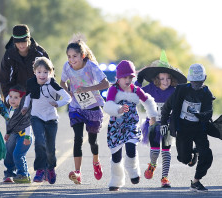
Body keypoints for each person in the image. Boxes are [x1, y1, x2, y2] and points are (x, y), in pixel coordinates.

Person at [60, 36, 110, 184]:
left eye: (74, 56)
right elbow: (62, 82)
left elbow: (106, 84)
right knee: (78, 138)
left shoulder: (91, 67)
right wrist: (68, 92)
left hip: (93, 107)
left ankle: (96, 161)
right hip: (76, 107)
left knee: (92, 141)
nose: (71, 59)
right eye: (69, 56)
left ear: (82, 56)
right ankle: (78, 172)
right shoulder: (67, 67)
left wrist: (87, 89)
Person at [135, 51, 187, 188]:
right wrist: (139, 79)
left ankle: (165, 178)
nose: (165, 82)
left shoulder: (174, 90)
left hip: (168, 125)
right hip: (152, 124)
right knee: (155, 151)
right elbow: (136, 91)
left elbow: (183, 101)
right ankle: (152, 165)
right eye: (162, 79)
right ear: (157, 79)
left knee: (166, 151)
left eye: (168, 79)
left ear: (172, 79)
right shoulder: (151, 88)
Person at [103, 60, 158, 191]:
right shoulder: (113, 89)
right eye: (124, 77)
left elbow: (148, 101)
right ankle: (116, 180)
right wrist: (118, 109)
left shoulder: (136, 90)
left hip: (132, 125)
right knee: (116, 157)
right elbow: (107, 105)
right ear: (118, 77)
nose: (127, 80)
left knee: (131, 148)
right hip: (116, 127)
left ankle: (133, 172)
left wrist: (152, 115)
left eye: (130, 77)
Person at [161, 63, 215, 192]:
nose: (196, 85)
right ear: (190, 80)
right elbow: (167, 107)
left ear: (205, 78)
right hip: (183, 128)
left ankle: (196, 181)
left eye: (199, 82)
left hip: (199, 128)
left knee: (207, 154)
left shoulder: (207, 93)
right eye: (194, 82)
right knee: (184, 159)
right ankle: (193, 153)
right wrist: (164, 122)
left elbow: (209, 113)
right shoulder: (181, 90)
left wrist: (199, 115)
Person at [22, 57, 71, 184]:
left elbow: (68, 98)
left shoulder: (53, 84)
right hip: (36, 116)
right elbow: (28, 96)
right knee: (39, 142)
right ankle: (39, 170)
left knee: (50, 148)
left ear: (50, 72)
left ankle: (50, 169)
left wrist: (58, 103)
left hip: (51, 119)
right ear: (34, 72)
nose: (42, 75)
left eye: (45, 72)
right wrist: (25, 107)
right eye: (39, 72)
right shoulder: (31, 83)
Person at [0, 24, 49, 105]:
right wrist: (8, 99)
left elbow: (50, 74)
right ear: (14, 41)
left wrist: (48, 95)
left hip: (38, 97)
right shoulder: (8, 56)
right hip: (17, 99)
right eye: (18, 42)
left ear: (29, 39)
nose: (21, 45)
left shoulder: (40, 53)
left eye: (24, 41)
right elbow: (4, 79)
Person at [3, 85, 32, 183]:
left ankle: (24, 174)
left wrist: (27, 137)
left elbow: (28, 125)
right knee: (8, 152)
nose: (12, 100)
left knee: (18, 154)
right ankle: (10, 173)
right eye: (11, 97)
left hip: (24, 135)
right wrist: (8, 133)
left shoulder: (24, 110)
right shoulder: (11, 108)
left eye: (16, 98)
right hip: (13, 134)